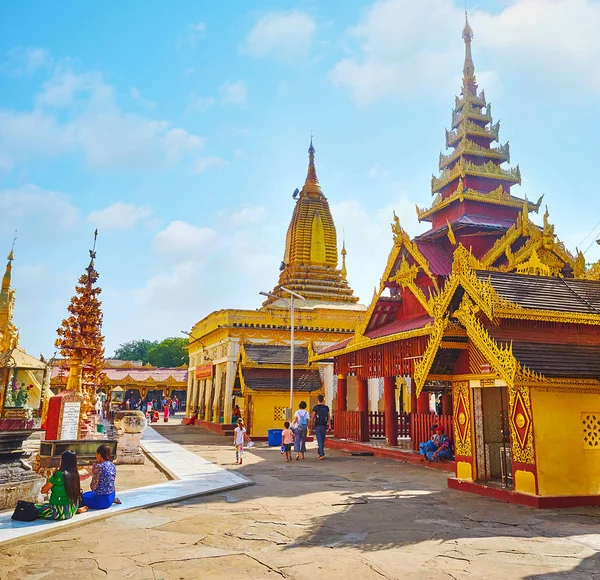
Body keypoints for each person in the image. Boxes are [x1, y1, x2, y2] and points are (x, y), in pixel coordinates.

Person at [35, 450, 81, 520]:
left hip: (58, 512)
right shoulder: (75, 474)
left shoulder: (58, 475)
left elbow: (43, 490)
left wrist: (50, 478)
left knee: (33, 508)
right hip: (72, 509)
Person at [79, 445, 119, 511]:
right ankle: (112, 500)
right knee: (87, 494)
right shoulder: (112, 465)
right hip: (111, 496)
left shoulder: (99, 467)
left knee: (82, 497)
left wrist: (94, 473)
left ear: (99, 454)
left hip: (101, 502)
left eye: (97, 454)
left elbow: (93, 487)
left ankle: (84, 508)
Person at [311, 394, 330, 460]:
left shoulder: (316, 407)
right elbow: (329, 417)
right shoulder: (326, 407)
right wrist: (329, 425)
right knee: (322, 440)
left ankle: (322, 454)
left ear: (318, 400)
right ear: (323, 399)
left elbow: (313, 417)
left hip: (318, 425)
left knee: (319, 440)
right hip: (324, 425)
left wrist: (311, 425)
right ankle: (319, 453)